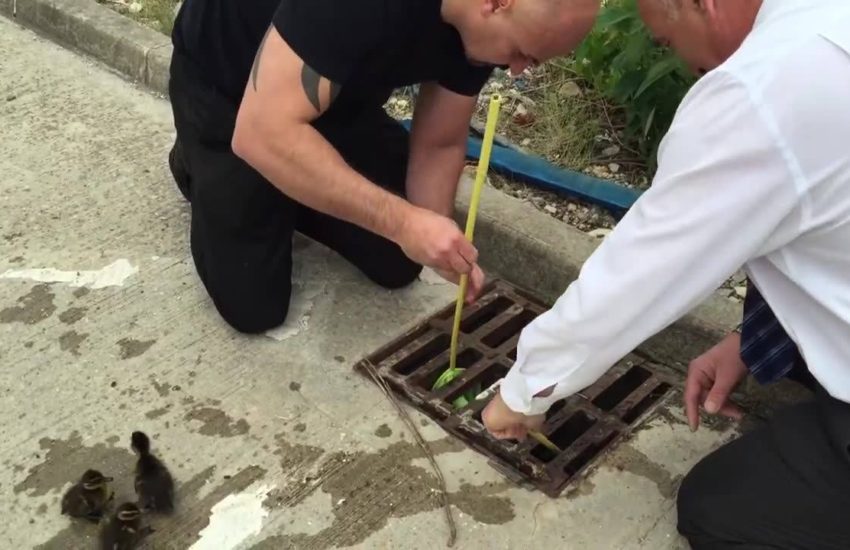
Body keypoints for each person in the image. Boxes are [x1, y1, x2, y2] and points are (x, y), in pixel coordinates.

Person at [482, 0, 850, 548]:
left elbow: (636, 276)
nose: (679, 62)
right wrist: (753, 339)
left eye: (665, 41)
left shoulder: (762, 91)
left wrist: (523, 391)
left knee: (719, 507)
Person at [166, 0, 600, 334]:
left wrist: (434, 235)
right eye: (524, 53)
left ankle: (296, 174)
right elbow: (259, 132)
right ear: (495, 2)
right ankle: (197, 162)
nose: (519, 70)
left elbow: (440, 141)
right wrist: (403, 222)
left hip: (339, 100)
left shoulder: (481, 35)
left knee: (399, 261)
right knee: (254, 305)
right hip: (231, 96)